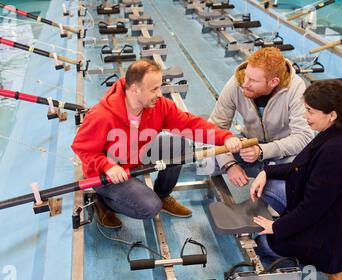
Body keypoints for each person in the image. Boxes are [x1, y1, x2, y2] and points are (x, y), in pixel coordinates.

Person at [72, 59, 241, 228]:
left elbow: (191, 124)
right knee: (150, 208)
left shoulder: (158, 105)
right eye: (154, 89)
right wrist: (107, 166)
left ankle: (162, 195)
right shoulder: (101, 115)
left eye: (160, 87)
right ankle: (102, 202)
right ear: (134, 90)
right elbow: (82, 149)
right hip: (107, 173)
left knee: (178, 145)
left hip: (135, 156)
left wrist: (224, 137)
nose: (160, 94)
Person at [250, 79, 342, 280]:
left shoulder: (339, 152)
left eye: (310, 111)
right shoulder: (335, 132)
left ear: (331, 114)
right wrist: (266, 172)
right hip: (322, 215)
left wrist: (277, 228)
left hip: (326, 237)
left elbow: (312, 209)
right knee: (267, 186)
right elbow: (298, 167)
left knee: (262, 242)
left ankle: (335, 270)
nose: (306, 117)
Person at [207, 47, 313, 212]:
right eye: (246, 76)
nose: (245, 83)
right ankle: (260, 171)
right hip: (247, 146)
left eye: (253, 81)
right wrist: (229, 164)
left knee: (287, 191)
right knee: (205, 162)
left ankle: (269, 178)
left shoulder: (296, 88)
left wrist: (262, 151)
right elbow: (216, 126)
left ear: (273, 82)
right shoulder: (238, 81)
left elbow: (304, 137)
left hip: (282, 154)